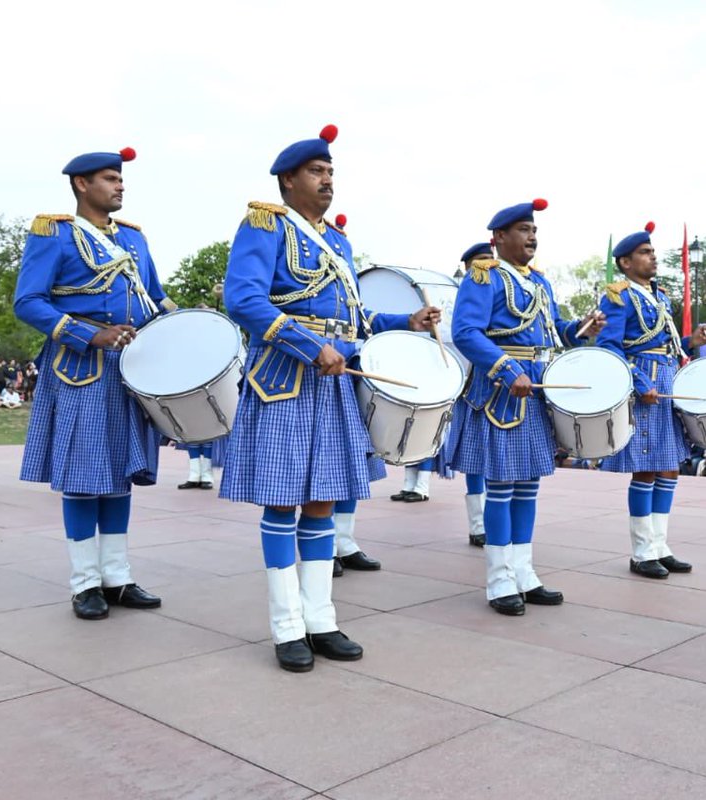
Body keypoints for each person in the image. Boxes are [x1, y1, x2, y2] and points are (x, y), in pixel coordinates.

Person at [219, 125, 439, 671]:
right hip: (284, 380)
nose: (328, 181)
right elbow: (241, 298)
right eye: (317, 172)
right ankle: (286, 625)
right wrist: (307, 344)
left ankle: (321, 618)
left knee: (322, 500)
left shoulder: (337, 242)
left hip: (333, 380)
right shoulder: (263, 225)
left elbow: (356, 317)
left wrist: (403, 321)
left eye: (331, 172)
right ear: (288, 179)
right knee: (282, 500)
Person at [14, 145, 170, 621]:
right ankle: (85, 583)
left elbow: (155, 299)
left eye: (119, 179)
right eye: (109, 178)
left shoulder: (135, 240)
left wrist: (186, 327)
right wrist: (88, 334)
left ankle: (117, 576)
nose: (119, 185)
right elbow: (29, 301)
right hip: (78, 370)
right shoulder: (54, 235)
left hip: (129, 370)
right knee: (85, 476)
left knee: (119, 472)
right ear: (82, 184)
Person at [450, 198, 605, 615]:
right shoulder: (483, 276)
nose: (532, 236)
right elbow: (465, 332)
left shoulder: (540, 283)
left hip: (535, 388)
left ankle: (523, 571)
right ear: (498, 238)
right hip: (502, 392)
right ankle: (499, 579)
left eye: (533, 229)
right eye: (522, 229)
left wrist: (582, 329)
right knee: (501, 488)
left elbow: (554, 330)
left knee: (529, 487)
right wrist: (503, 368)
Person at [597, 222, 706, 580]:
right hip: (643, 382)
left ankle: (660, 546)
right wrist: (638, 380)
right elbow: (609, 347)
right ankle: (642, 551)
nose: (653, 257)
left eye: (652, 252)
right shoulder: (617, 296)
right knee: (645, 468)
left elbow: (669, 344)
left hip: (667, 378)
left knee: (671, 466)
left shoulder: (660, 296)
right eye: (645, 253)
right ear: (626, 262)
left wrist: (692, 341)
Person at [442, 243, 495, 548]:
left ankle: (491, 523)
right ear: (466, 267)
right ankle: (478, 525)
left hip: (498, 380)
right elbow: (456, 335)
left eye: (491, 260)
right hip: (470, 383)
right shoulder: (460, 291)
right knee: (476, 459)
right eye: (480, 262)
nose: (487, 267)